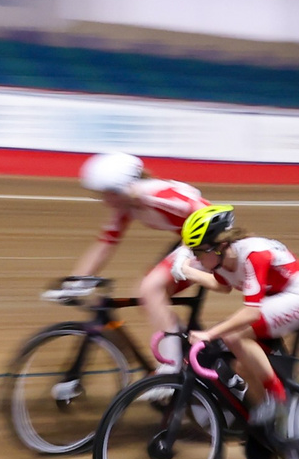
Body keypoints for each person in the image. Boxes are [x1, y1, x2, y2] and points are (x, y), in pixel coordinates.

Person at [170, 204, 299, 441]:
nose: (197, 258)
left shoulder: (253, 255)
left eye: (199, 252)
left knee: (232, 335)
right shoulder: (223, 259)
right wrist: (186, 270)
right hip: (276, 298)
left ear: (219, 247)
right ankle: (270, 427)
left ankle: (278, 396)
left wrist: (209, 334)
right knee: (240, 362)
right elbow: (222, 285)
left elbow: (251, 313)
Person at [51, 152, 206, 369]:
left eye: (106, 194)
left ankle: (171, 368)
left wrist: (188, 251)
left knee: (150, 289)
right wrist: (75, 281)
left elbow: (206, 213)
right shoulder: (128, 203)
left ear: (123, 188)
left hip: (210, 241)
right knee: (146, 296)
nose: (104, 201)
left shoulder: (154, 195)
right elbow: (105, 244)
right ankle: (185, 344)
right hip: (190, 240)